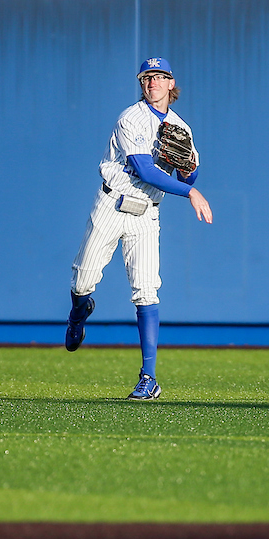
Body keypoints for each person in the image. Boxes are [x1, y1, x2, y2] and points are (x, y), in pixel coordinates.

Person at [65, 58, 213, 400]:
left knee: (147, 291)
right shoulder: (130, 118)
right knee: (83, 281)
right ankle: (79, 312)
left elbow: (189, 174)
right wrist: (190, 191)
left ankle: (149, 377)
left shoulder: (181, 127)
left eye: (160, 77)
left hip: (146, 214)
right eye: (147, 78)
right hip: (112, 203)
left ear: (171, 84)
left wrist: (187, 168)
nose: (153, 83)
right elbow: (145, 171)